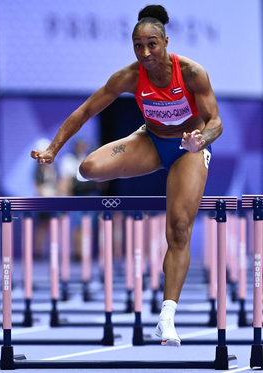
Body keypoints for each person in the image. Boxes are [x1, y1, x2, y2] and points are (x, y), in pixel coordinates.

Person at [31, 5, 220, 347]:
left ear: (165, 42)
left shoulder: (192, 72)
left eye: (152, 44)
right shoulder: (130, 76)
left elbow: (216, 121)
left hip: (188, 149)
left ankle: (166, 318)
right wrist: (54, 149)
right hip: (150, 140)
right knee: (88, 167)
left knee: (178, 229)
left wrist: (200, 139)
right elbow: (85, 111)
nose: (145, 52)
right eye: (137, 45)